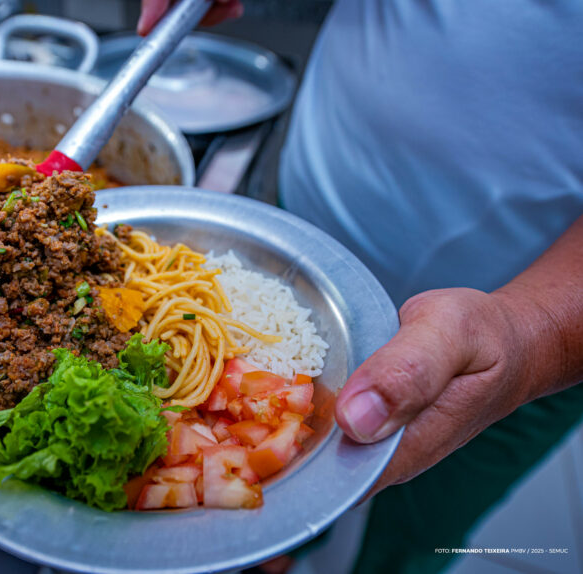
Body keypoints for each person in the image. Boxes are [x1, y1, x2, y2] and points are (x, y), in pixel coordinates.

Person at [140, 1, 583, 573]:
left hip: (537, 330)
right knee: (262, 522)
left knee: (422, 526)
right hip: (303, 236)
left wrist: (529, 337)